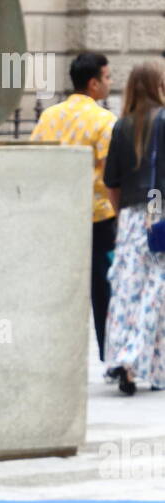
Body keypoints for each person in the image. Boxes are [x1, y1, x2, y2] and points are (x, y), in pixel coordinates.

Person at [30, 51, 115, 363]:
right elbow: (109, 173)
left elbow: (36, 161)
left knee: (58, 289)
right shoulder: (105, 120)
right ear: (93, 83)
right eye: (107, 77)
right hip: (98, 218)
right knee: (103, 289)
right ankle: (110, 354)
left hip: (56, 216)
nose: (110, 83)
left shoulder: (49, 116)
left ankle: (56, 355)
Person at [102, 59, 165, 395]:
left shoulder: (121, 125)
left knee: (127, 292)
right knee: (156, 292)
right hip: (160, 214)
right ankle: (151, 366)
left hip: (129, 217)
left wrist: (123, 215)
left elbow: (110, 181)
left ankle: (124, 360)